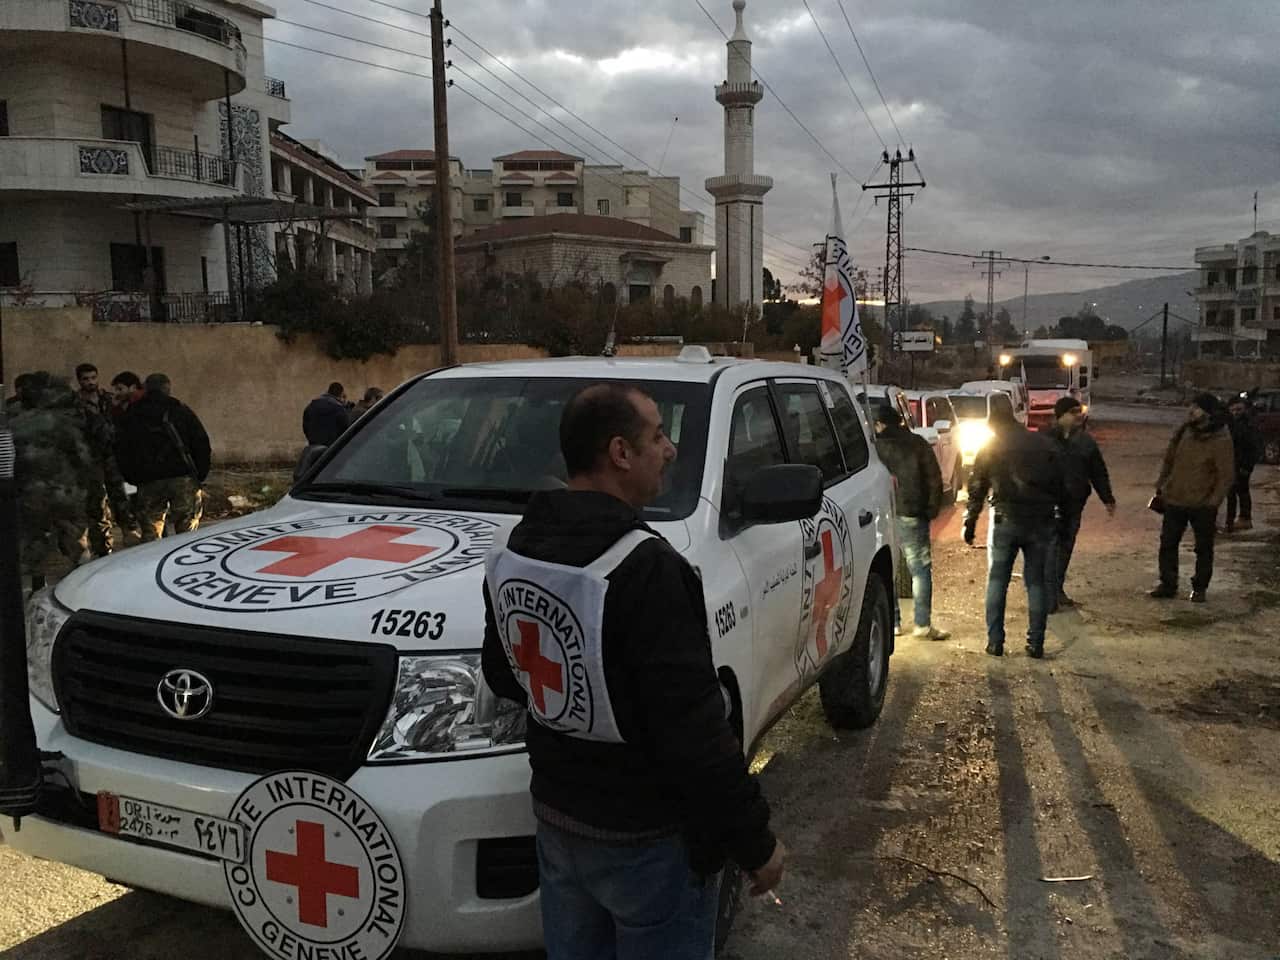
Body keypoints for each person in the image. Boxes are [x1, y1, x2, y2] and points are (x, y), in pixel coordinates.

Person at [482, 384, 784, 960]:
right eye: (658, 437)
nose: (669, 450)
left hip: (557, 822)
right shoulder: (649, 569)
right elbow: (696, 733)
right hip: (647, 844)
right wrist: (756, 843)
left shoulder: (516, 548)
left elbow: (503, 675)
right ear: (620, 453)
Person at [964, 404, 1067, 659]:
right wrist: (1060, 518)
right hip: (1040, 521)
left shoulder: (991, 447)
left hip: (1005, 520)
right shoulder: (1042, 444)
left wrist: (971, 521)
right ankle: (1036, 643)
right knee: (1036, 582)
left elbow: (977, 486)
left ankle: (995, 641)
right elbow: (1061, 485)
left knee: (998, 580)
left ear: (993, 424)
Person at [8, 372, 96, 588]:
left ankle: (36, 587)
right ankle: (80, 587)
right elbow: (83, 460)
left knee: (33, 548)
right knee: (76, 546)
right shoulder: (63, 422)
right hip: (66, 494)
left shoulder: (13, 423)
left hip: (30, 495)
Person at [872, 405, 949, 641]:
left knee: (889, 570)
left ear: (880, 424)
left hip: (882, 515)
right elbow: (934, 479)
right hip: (912, 513)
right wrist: (931, 509)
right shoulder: (917, 444)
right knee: (920, 570)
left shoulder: (874, 448)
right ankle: (922, 624)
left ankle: (894, 623)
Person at [1150, 394, 1235, 603]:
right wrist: (1162, 485)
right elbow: (1170, 459)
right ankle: (1168, 584)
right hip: (1175, 500)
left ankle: (1199, 587)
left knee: (1203, 548)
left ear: (1207, 412)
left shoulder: (1221, 439)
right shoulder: (1185, 431)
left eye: (1196, 408)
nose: (1191, 411)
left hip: (1203, 504)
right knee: (1168, 543)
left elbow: (1226, 474)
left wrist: (1213, 501)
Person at [1040, 396, 1116, 610]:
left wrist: (1107, 498)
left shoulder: (1085, 442)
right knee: (1050, 550)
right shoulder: (1044, 439)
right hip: (1048, 505)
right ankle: (1048, 597)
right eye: (1072, 412)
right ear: (1060, 415)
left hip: (1073, 505)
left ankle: (1057, 589)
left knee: (1065, 548)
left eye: (1078, 411)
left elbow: (1098, 472)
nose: (1077, 416)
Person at [116, 374, 211, 542]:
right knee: (187, 531)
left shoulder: (133, 413)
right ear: (167, 388)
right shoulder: (180, 409)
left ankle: (153, 564)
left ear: (146, 388)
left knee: (151, 530)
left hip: (148, 481)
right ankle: (186, 564)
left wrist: (131, 477)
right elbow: (201, 442)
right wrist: (200, 473)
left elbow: (121, 448)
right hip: (182, 478)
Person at [1225, 394, 1261, 533]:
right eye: (1233, 410)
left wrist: (1247, 466)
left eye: (1239, 410)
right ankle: (1232, 522)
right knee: (1233, 493)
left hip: (1242, 465)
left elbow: (1253, 447)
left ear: (1244, 409)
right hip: (1233, 463)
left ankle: (1242, 519)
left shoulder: (1248, 425)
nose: (1236, 413)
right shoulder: (1232, 423)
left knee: (1240, 491)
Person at [302, 381, 352, 447]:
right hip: (332, 447)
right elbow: (346, 429)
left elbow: (305, 426)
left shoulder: (311, 406)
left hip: (314, 446)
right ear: (341, 394)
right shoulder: (339, 408)